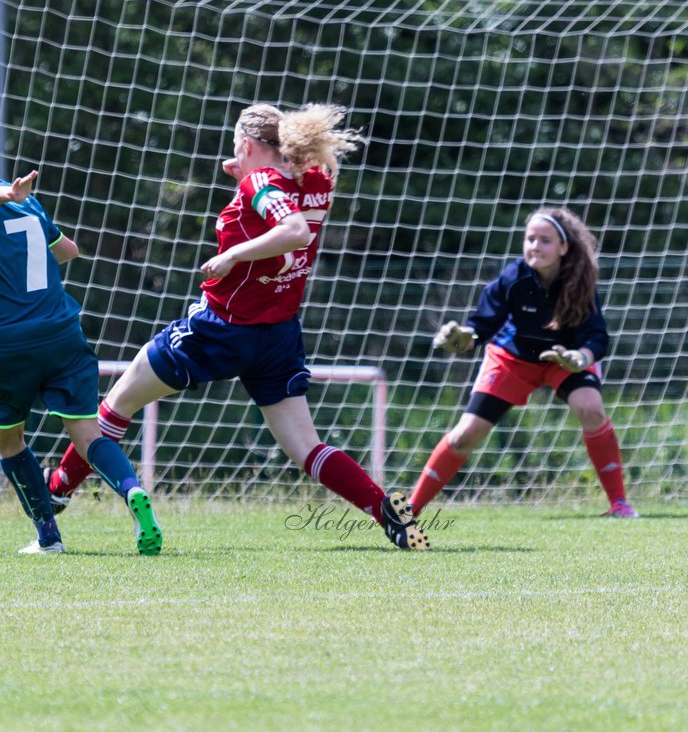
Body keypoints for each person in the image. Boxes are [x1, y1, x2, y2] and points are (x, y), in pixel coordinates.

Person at [46, 103, 430, 551]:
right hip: (277, 334)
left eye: (236, 147)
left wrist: (232, 254)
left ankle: (57, 490)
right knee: (307, 447)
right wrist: (244, 179)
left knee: (117, 404)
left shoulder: (261, 183)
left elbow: (293, 229)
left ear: (247, 145)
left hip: (218, 328)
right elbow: (291, 203)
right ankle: (388, 513)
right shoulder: (317, 179)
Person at [0, 128, 163, 555]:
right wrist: (15, 206)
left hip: (2, 339)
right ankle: (132, 492)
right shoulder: (27, 202)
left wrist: (4, 199)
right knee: (88, 433)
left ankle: (48, 538)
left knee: (9, 440)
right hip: (60, 330)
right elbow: (68, 249)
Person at [413, 206, 638, 517]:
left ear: (563, 247)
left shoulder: (581, 281)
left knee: (591, 409)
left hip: (565, 359)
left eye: (545, 240)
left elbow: (596, 336)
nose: (535, 246)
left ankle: (620, 505)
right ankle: (409, 510)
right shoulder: (513, 277)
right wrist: (466, 337)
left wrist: (579, 358)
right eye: (530, 238)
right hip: (513, 359)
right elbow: (482, 326)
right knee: (465, 435)